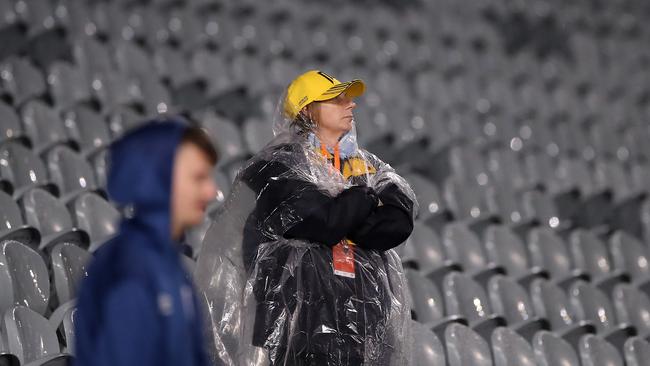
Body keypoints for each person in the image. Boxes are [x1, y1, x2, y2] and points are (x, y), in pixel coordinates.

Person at [196, 70, 418, 366]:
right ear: (307, 110)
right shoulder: (273, 167)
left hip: (361, 331)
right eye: (337, 99)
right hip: (299, 332)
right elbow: (325, 221)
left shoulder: (363, 165)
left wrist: (350, 209)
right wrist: (368, 198)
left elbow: (397, 223)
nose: (350, 104)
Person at [74, 119, 218, 366]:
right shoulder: (129, 270)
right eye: (198, 178)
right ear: (156, 180)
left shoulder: (165, 262)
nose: (211, 191)